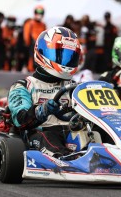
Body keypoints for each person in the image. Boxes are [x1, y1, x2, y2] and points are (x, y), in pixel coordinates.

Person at [6, 26, 81, 158]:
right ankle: (64, 158)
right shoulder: (23, 86)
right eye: (60, 54)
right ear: (43, 52)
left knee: (97, 132)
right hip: (39, 134)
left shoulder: (74, 87)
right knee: (47, 136)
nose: (67, 60)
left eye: (70, 56)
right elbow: (20, 120)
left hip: (72, 133)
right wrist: (41, 111)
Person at [22, 5, 47, 72]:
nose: (39, 15)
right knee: (30, 62)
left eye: (41, 13)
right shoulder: (29, 23)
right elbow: (26, 37)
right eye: (38, 12)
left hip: (41, 47)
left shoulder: (43, 24)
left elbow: (46, 35)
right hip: (31, 47)